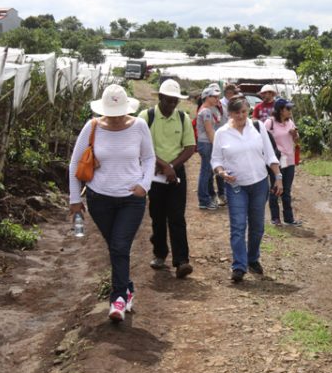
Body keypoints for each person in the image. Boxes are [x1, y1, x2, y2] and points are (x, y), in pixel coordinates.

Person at [68, 84, 155, 322]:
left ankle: (117, 300)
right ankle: (127, 288)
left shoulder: (139, 126)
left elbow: (148, 158)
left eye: (119, 113)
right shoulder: (93, 126)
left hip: (131, 200)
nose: (115, 118)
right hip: (99, 199)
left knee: (119, 245)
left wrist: (144, 185)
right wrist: (75, 199)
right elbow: (75, 163)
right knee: (116, 247)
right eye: (111, 113)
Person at [211, 95, 284, 283]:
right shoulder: (222, 134)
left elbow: (269, 155)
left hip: (259, 183)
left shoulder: (258, 128)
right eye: (237, 113)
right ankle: (239, 266)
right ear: (230, 113)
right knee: (238, 226)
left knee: (257, 226)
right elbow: (216, 160)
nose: (241, 116)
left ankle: (252, 258)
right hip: (235, 185)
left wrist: (278, 177)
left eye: (244, 111)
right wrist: (221, 173)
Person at [138, 79, 196, 279]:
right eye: (169, 101)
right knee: (157, 215)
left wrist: (172, 167)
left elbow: (190, 147)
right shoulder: (146, 117)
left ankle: (182, 260)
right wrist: (163, 166)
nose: (172, 105)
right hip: (153, 172)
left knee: (177, 216)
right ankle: (160, 253)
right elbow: (141, 148)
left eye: (175, 102)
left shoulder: (182, 118)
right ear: (160, 98)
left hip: (175, 172)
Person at [265, 97, 301, 226]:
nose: (290, 111)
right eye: (288, 108)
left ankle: (289, 218)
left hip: (289, 160)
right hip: (276, 161)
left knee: (286, 190)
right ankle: (275, 218)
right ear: (280, 110)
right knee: (275, 189)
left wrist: (294, 135)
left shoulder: (290, 122)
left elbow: (297, 141)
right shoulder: (270, 123)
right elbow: (263, 141)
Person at [196, 85, 223, 210]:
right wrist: (216, 145)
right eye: (215, 96)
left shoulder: (206, 110)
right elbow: (209, 131)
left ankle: (206, 198)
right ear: (207, 97)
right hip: (206, 143)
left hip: (205, 143)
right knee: (206, 172)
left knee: (207, 172)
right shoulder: (206, 111)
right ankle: (204, 200)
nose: (217, 99)